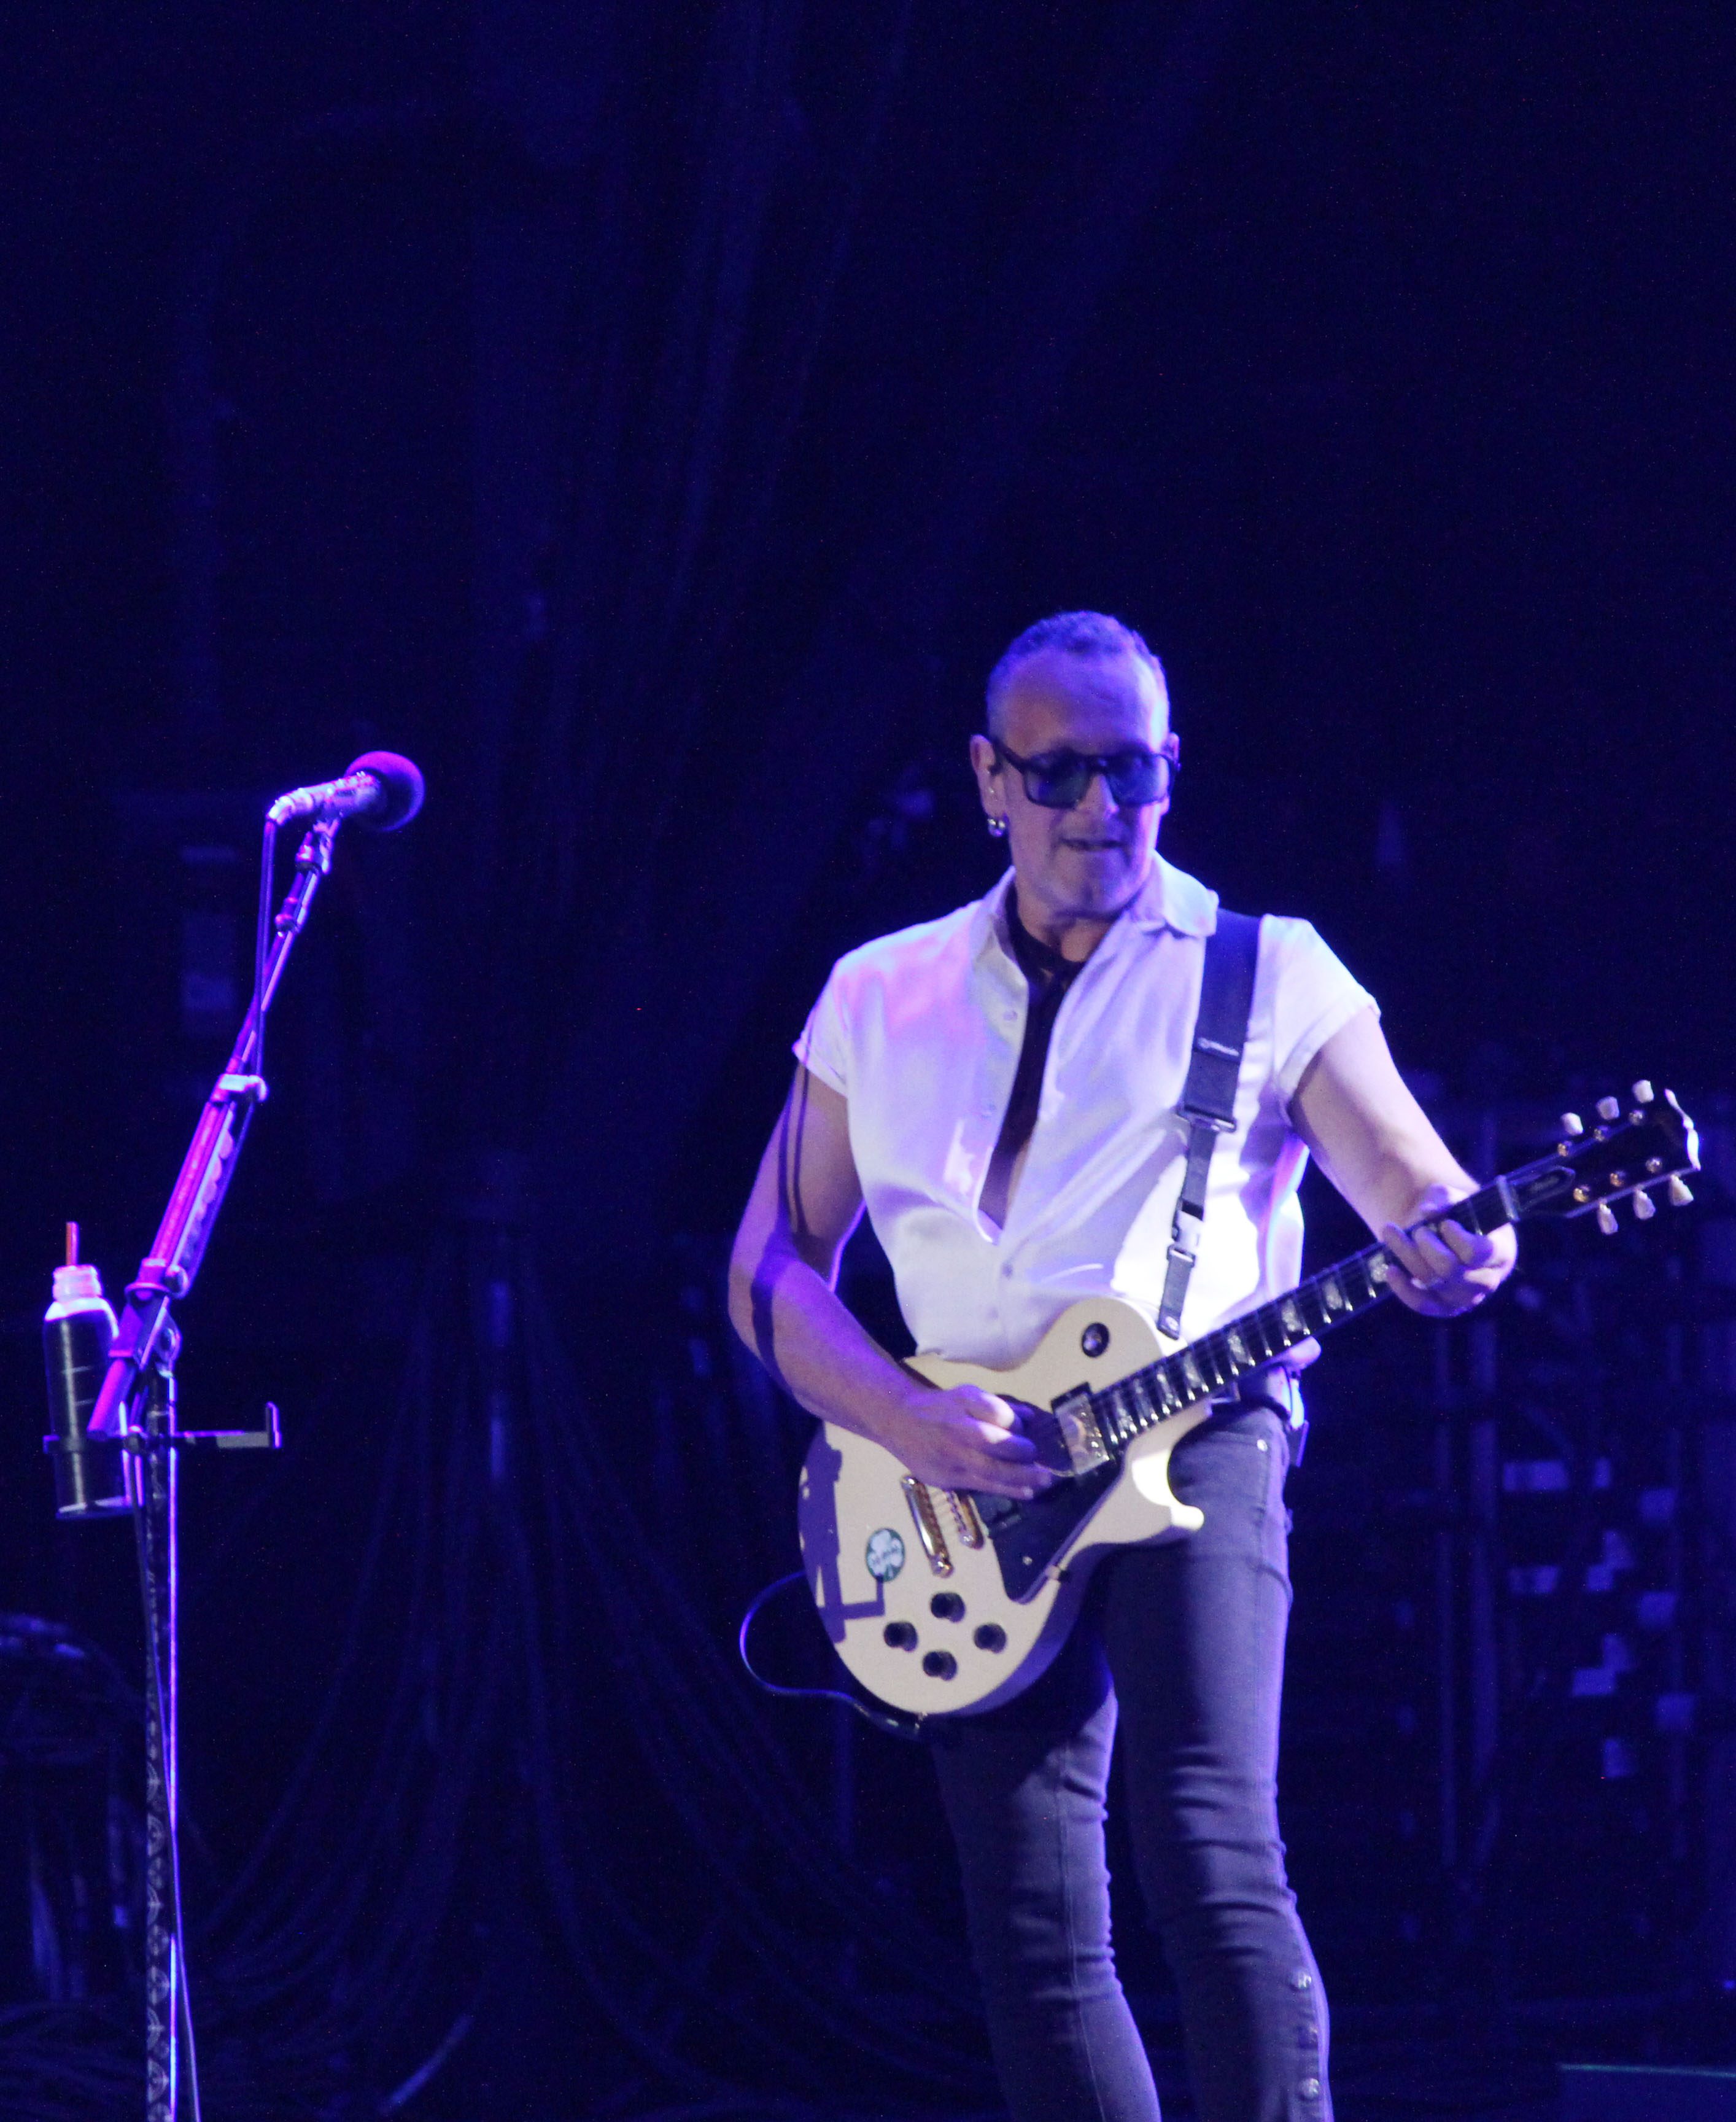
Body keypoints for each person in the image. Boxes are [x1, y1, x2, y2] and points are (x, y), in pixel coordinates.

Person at [727, 612, 1514, 2122]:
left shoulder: (1267, 971)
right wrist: (904, 1416)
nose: (1099, 806)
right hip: (963, 1470)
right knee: (1031, 1922)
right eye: (1059, 772)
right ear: (990, 778)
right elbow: (769, 1267)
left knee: (1210, 1849)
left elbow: (1416, 1190)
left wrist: (1462, 1244)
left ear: (1172, 769)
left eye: (1133, 770)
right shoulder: (879, 990)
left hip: (1202, 1428)